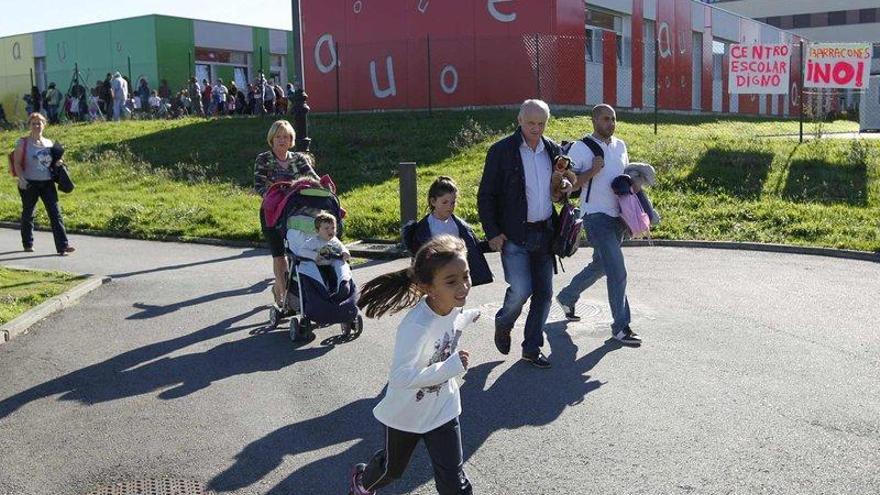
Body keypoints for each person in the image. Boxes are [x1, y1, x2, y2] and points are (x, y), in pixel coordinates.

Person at [349, 235, 476, 495]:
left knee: (454, 481)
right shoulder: (417, 325)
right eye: (451, 281)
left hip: (443, 408)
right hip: (407, 414)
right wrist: (450, 368)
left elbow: (452, 325)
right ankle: (362, 482)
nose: (463, 286)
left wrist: (470, 317)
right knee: (391, 470)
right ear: (428, 287)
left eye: (466, 276)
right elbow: (400, 377)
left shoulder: (452, 305)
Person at [477, 99, 565, 369]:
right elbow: (486, 196)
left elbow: (561, 191)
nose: (536, 128)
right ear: (519, 120)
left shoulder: (553, 150)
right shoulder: (502, 151)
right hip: (515, 235)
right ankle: (503, 322)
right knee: (521, 290)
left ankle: (531, 348)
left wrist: (564, 184)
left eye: (541, 123)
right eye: (531, 123)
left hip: (545, 232)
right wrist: (492, 232)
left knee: (544, 294)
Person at [555, 104, 641, 346]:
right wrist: (592, 170)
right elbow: (570, 186)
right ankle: (621, 327)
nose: (611, 123)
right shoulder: (582, 148)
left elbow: (623, 179)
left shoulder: (621, 145)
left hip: (618, 217)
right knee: (617, 270)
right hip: (595, 216)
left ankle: (567, 296)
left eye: (613, 119)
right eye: (606, 119)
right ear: (594, 121)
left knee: (601, 265)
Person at [253, 120, 320, 309]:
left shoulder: (299, 158)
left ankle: (286, 288)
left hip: (297, 213)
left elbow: (313, 179)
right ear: (271, 139)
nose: (282, 140)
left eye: (286, 137)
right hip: (272, 212)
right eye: (278, 137)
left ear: (291, 139)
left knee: (297, 253)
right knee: (279, 255)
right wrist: (275, 196)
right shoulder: (264, 159)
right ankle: (282, 295)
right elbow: (259, 185)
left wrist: (323, 187)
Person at [403, 176, 492, 287]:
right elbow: (418, 256)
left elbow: (474, 247)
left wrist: (491, 244)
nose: (450, 206)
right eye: (444, 202)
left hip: (455, 275)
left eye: (453, 202)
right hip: (434, 276)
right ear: (433, 201)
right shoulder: (424, 228)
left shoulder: (460, 226)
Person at [10, 113, 75, 255]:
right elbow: (17, 163)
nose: (37, 126)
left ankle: (63, 246)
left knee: (55, 213)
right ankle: (27, 243)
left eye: (39, 123)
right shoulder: (23, 143)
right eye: (33, 123)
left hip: (47, 183)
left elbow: (54, 162)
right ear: (29, 126)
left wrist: (59, 163)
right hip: (29, 183)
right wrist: (21, 178)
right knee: (28, 213)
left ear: (44, 125)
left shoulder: (49, 143)